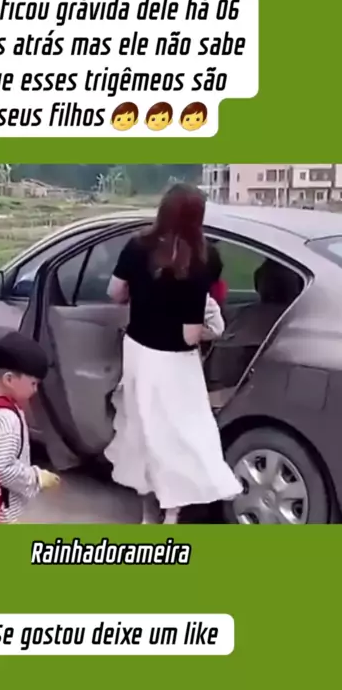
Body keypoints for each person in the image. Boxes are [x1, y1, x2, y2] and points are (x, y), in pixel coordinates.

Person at [104, 183, 242, 524]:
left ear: (163, 209)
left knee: (142, 429)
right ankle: (172, 510)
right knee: (181, 434)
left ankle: (148, 511)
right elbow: (190, 334)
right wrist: (212, 332)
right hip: (177, 364)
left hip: (139, 354)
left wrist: (140, 294)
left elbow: (115, 292)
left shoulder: (137, 245)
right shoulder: (206, 259)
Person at [0, 332, 60, 523]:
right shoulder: (8, 418)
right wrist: (37, 477)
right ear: (9, 379)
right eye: (33, 383)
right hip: (4, 513)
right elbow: (3, 469)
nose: (35, 390)